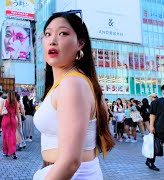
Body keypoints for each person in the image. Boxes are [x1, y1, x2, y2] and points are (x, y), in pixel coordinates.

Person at [33, 11, 114, 179]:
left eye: (63, 33)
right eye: (47, 34)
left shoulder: (73, 84)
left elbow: (70, 162)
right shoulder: (69, 82)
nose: (52, 40)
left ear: (80, 43)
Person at [0, 91, 21, 159]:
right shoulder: (16, 102)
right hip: (13, 120)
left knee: (5, 136)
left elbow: (0, 111)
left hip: (5, 119)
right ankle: (13, 151)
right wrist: (19, 121)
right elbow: (17, 112)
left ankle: (6, 151)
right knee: (12, 136)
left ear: (7, 95)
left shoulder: (4, 101)